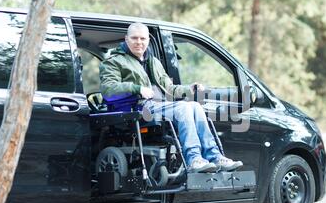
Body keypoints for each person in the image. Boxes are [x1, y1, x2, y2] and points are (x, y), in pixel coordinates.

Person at [99, 22, 243, 173]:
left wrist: (189, 89)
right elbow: (108, 90)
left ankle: (215, 156)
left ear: (148, 40)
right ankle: (194, 159)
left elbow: (169, 89)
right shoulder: (114, 62)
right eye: (134, 38)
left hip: (161, 105)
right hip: (139, 107)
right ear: (126, 39)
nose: (139, 42)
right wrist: (137, 88)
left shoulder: (153, 62)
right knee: (183, 107)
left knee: (195, 105)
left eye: (143, 38)